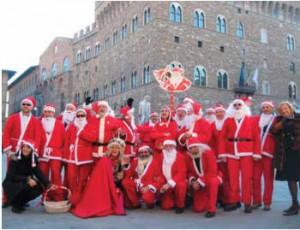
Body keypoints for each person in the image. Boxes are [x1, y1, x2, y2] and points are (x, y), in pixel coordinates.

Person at [218, 98, 260, 213]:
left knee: (247, 178)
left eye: (239, 105)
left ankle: (247, 202)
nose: (237, 107)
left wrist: (257, 153)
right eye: (235, 105)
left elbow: (256, 138)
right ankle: (233, 201)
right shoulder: (228, 120)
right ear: (232, 107)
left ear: (243, 107)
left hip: (247, 151)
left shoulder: (251, 120)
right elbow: (222, 138)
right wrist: (222, 153)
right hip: (231, 151)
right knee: (233, 178)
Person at [2, 96, 42, 207]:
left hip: (27, 152)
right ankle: (7, 198)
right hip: (14, 150)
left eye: (28, 104)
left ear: (32, 107)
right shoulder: (12, 118)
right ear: (21, 105)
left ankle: (21, 199)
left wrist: (35, 152)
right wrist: (8, 150)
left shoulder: (35, 121)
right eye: (24, 104)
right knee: (10, 175)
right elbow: (6, 134)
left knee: (25, 175)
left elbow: (38, 137)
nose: (25, 106)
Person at [71, 138, 126, 218]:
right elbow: (98, 175)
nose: (114, 150)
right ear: (110, 149)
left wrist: (113, 184)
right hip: (102, 185)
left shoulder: (122, 161)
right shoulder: (105, 159)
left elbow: (120, 177)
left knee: (119, 194)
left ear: (120, 150)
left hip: (113, 184)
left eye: (117, 148)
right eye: (113, 147)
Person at [2, 140, 50, 213]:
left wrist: (48, 184)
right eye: (24, 147)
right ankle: (16, 205)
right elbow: (11, 176)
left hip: (25, 182)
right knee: (24, 185)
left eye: (28, 147)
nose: (25, 149)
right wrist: (27, 179)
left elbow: (39, 173)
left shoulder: (33, 160)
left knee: (40, 187)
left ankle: (21, 202)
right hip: (11, 184)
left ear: (32, 150)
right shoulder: (15, 159)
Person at [270, 101, 300, 216]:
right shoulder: (279, 120)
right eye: (281, 109)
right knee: (291, 179)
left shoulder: (298, 117)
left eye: (286, 108)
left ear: (290, 108)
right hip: (287, 153)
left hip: (298, 152)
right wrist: (281, 122)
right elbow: (273, 131)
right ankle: (294, 204)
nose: (284, 110)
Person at [186, 137, 222, 218]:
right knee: (198, 208)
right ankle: (207, 200)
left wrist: (199, 181)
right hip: (200, 181)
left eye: (194, 147)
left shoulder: (208, 154)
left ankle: (212, 209)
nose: (193, 149)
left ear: (199, 146)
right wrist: (193, 181)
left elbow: (212, 171)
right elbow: (189, 172)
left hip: (212, 177)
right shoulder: (189, 158)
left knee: (213, 182)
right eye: (190, 148)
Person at [64, 108, 93, 206]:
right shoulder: (71, 126)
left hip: (86, 156)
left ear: (85, 116)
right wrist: (66, 155)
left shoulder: (89, 126)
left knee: (83, 179)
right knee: (71, 177)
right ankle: (74, 197)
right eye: (78, 115)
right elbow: (66, 140)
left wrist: (81, 131)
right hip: (72, 156)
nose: (80, 117)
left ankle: (82, 198)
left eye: (82, 115)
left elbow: (92, 138)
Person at [122, 144, 163, 209]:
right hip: (138, 184)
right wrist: (126, 165)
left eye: (145, 152)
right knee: (126, 182)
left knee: (148, 201)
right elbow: (129, 175)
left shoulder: (155, 163)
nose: (143, 154)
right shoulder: (135, 161)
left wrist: (149, 187)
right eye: (141, 152)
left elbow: (160, 179)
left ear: (150, 152)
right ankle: (135, 203)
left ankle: (151, 201)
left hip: (149, 185)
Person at [252, 101, 276, 211]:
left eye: (268, 107)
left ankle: (267, 202)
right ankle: (256, 201)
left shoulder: (276, 120)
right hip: (256, 154)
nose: (266, 109)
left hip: (269, 153)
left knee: (268, 180)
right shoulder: (256, 119)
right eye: (264, 107)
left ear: (272, 108)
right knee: (255, 179)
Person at [39, 104, 65, 201]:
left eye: (50, 112)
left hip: (56, 153)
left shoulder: (59, 123)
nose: (47, 114)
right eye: (46, 112)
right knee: (43, 175)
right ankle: (45, 196)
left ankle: (58, 196)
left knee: (56, 175)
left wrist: (62, 152)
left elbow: (63, 139)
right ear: (43, 112)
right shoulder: (39, 122)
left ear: (53, 113)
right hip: (42, 153)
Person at [157, 140, 187, 214]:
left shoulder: (180, 156)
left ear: (174, 147)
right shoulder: (161, 156)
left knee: (181, 185)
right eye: (166, 146)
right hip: (165, 180)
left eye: (170, 146)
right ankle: (164, 199)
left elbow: (181, 173)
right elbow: (158, 171)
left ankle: (181, 205)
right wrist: (162, 182)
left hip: (177, 181)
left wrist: (169, 183)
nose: (168, 148)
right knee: (166, 207)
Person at [210, 104, 229, 207]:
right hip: (216, 154)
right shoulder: (212, 125)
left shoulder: (228, 123)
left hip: (228, 153)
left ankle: (229, 199)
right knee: (217, 176)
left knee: (228, 177)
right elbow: (210, 141)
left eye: (221, 112)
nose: (219, 114)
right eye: (217, 112)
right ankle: (220, 198)